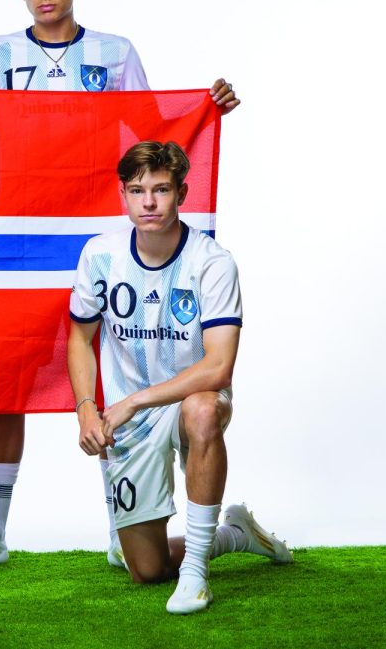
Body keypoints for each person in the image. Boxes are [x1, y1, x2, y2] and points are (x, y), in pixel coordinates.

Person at [0, 0, 240, 572]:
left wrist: (206, 113)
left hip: (98, 235)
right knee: (8, 383)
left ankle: (120, 521)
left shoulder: (115, 53)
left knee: (112, 376)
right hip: (19, 238)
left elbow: (154, 134)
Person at [67, 140, 291, 614]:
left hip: (189, 398)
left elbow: (218, 366)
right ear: (123, 196)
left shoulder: (212, 263)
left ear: (181, 193)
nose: (149, 202)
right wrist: (87, 406)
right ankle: (234, 534)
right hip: (132, 421)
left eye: (161, 189)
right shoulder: (100, 256)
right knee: (143, 570)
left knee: (203, 407)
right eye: (137, 190)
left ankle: (195, 574)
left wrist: (133, 400)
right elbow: (78, 337)